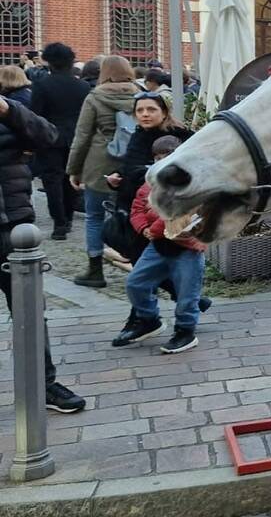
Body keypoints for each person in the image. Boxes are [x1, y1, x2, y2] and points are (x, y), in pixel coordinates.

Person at [0, 89, 87, 413]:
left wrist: (8, 110)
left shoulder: (11, 112)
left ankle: (45, 385)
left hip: (15, 230)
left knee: (31, 313)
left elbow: (49, 136)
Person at [112, 136, 206, 354]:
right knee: (136, 283)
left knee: (187, 295)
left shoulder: (189, 183)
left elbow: (174, 213)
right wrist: (142, 228)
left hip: (187, 247)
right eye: (158, 158)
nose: (162, 162)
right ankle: (149, 319)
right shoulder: (149, 183)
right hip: (157, 247)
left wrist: (152, 229)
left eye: (168, 157)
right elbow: (137, 208)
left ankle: (185, 330)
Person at [66, 56, 139, 286]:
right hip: (133, 163)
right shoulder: (140, 94)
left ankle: (95, 269)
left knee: (95, 217)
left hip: (99, 164)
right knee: (133, 218)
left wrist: (74, 169)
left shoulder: (95, 97)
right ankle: (141, 270)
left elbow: (82, 136)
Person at [105, 93, 194, 263]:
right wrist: (117, 176)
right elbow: (130, 165)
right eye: (140, 110)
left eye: (151, 109)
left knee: (157, 262)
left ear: (164, 112)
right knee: (140, 260)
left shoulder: (179, 137)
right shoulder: (139, 134)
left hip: (161, 211)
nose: (145, 114)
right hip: (135, 210)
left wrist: (136, 173)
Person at [30, 43, 91, 240]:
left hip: (50, 138)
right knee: (70, 179)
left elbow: (35, 115)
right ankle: (69, 218)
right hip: (75, 137)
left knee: (52, 181)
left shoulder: (41, 85)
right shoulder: (83, 86)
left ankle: (59, 223)